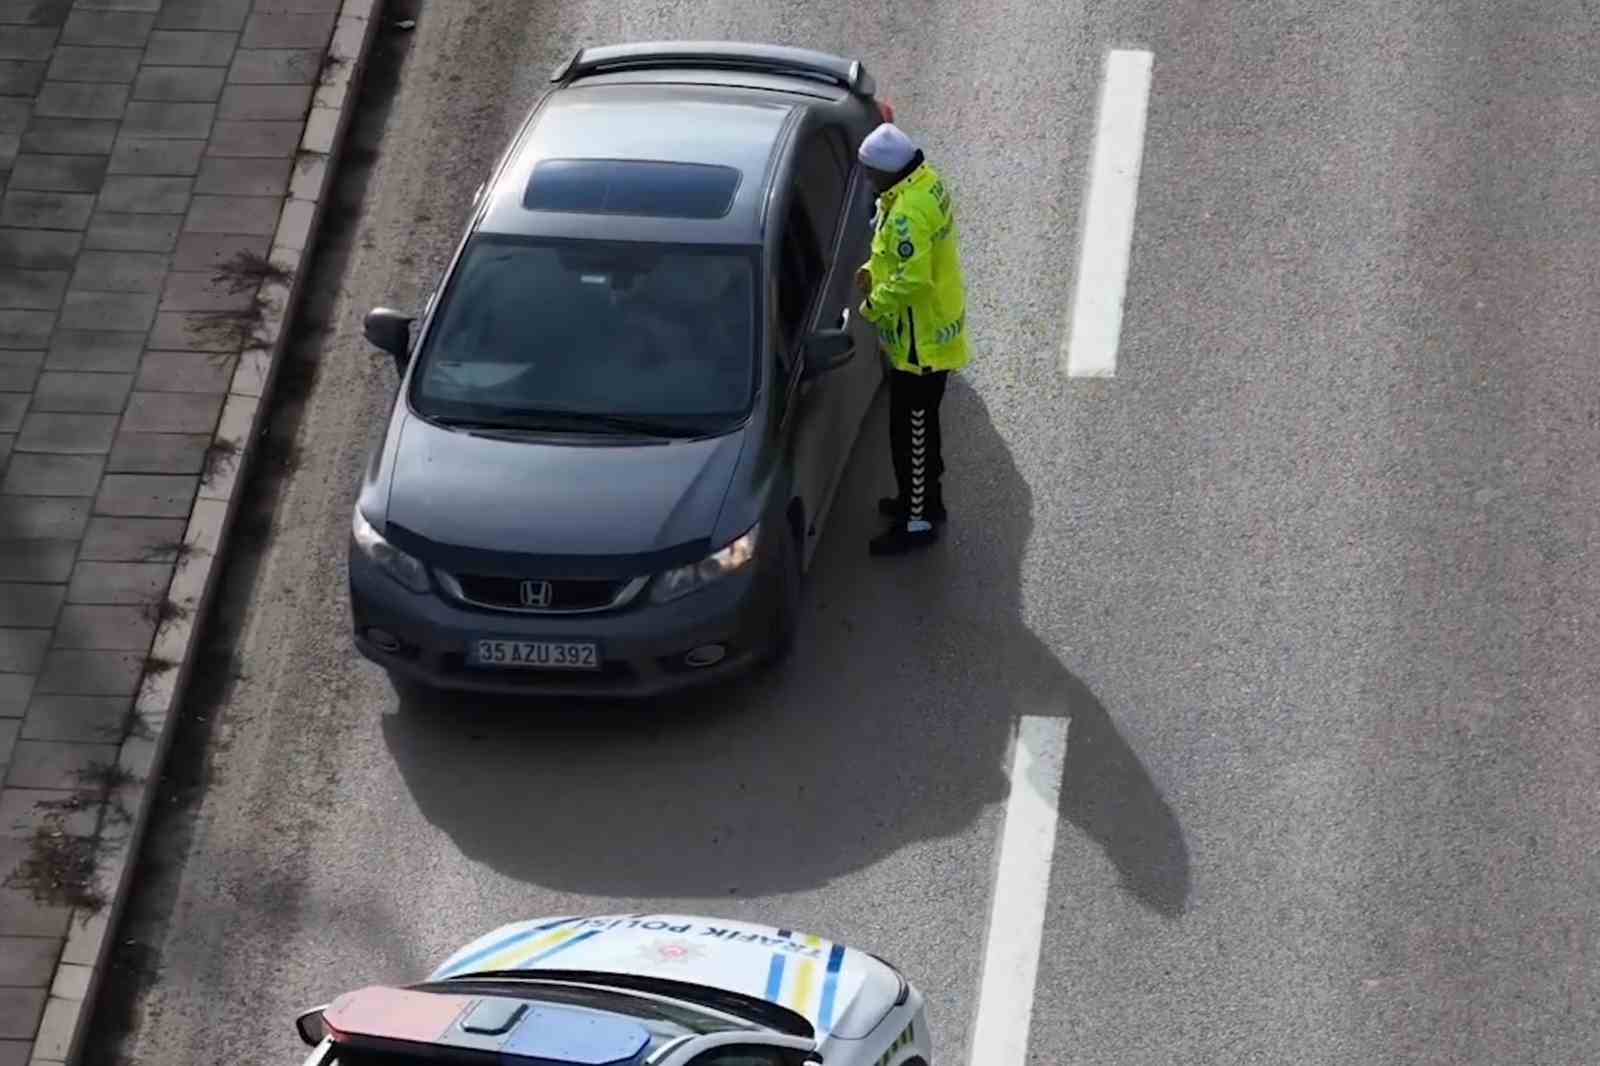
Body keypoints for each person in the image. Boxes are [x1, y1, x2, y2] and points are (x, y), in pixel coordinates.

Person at [854, 122, 970, 556]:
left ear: (888, 171)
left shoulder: (907, 212)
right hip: (931, 329)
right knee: (916, 429)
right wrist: (871, 267)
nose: (867, 179)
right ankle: (920, 500)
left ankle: (918, 520)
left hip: (919, 343)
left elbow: (914, 278)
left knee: (913, 435)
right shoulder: (925, 185)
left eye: (870, 172)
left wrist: (873, 305)